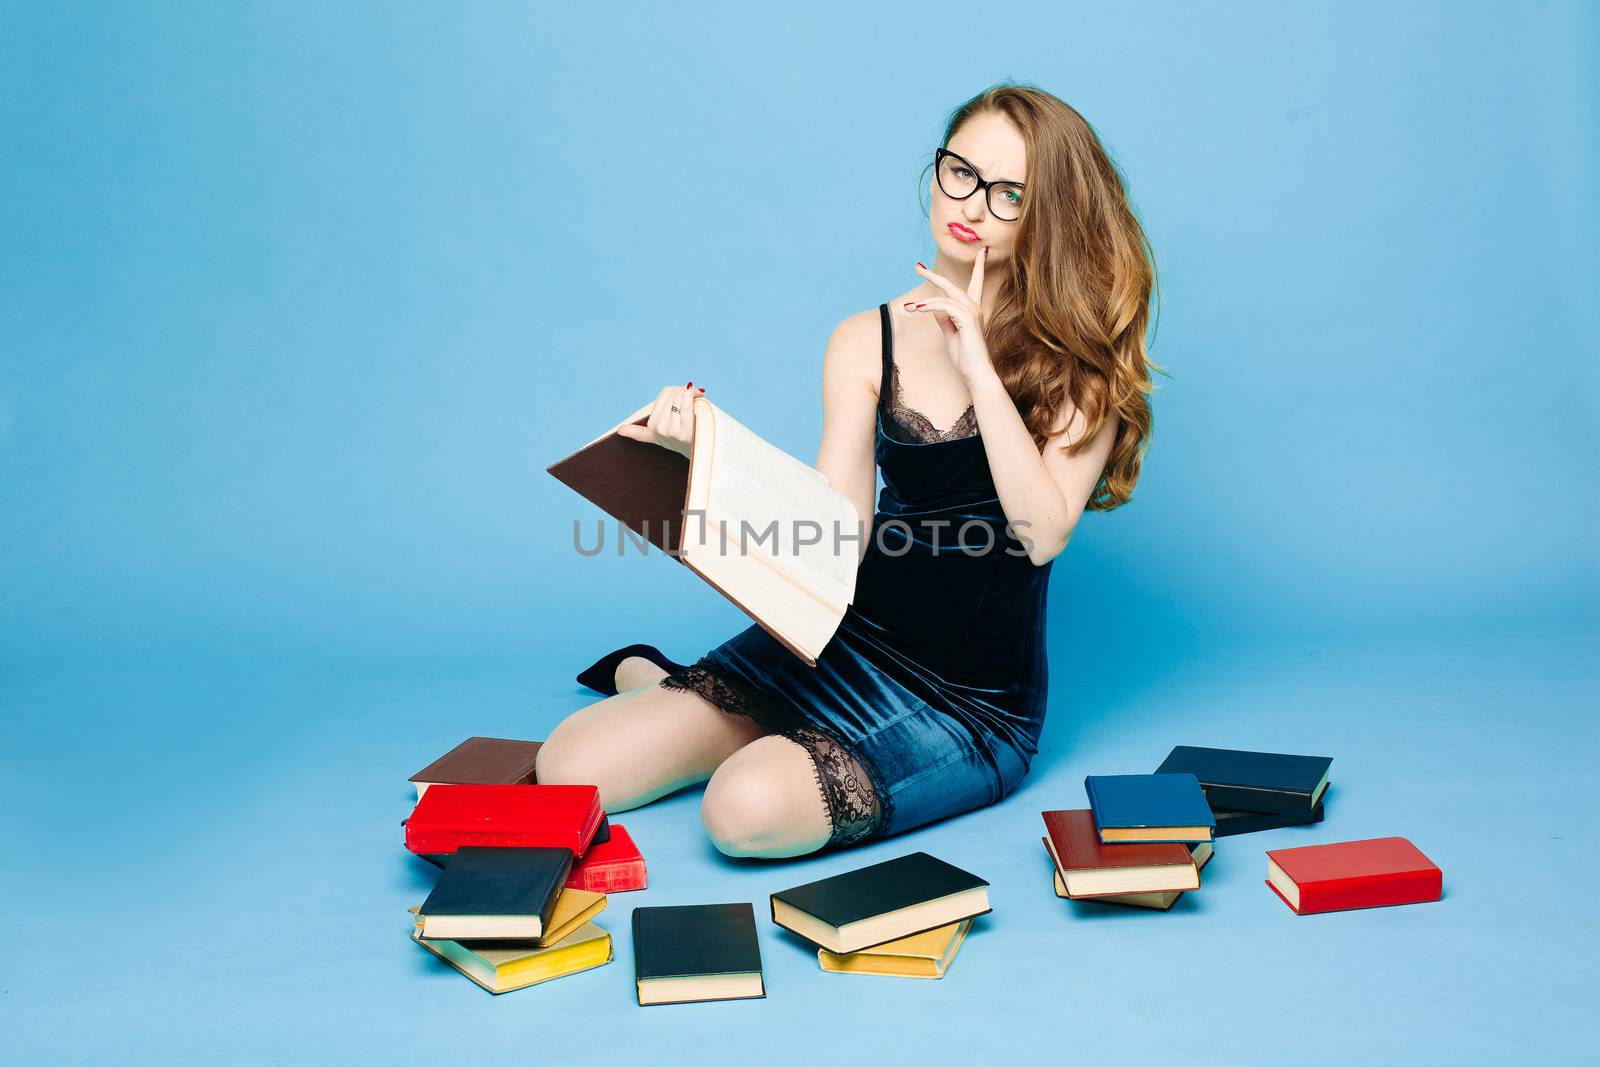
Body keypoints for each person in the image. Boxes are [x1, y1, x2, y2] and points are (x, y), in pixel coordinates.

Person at [537, 83, 1160, 859]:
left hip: (963, 703)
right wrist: (702, 453)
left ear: (1047, 212)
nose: (971, 202)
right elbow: (835, 534)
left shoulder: (1083, 363)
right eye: (959, 172)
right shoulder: (864, 340)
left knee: (741, 811)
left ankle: (714, 721)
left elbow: (1040, 532)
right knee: (567, 765)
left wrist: (978, 362)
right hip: (837, 641)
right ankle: (689, 698)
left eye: (1009, 194)